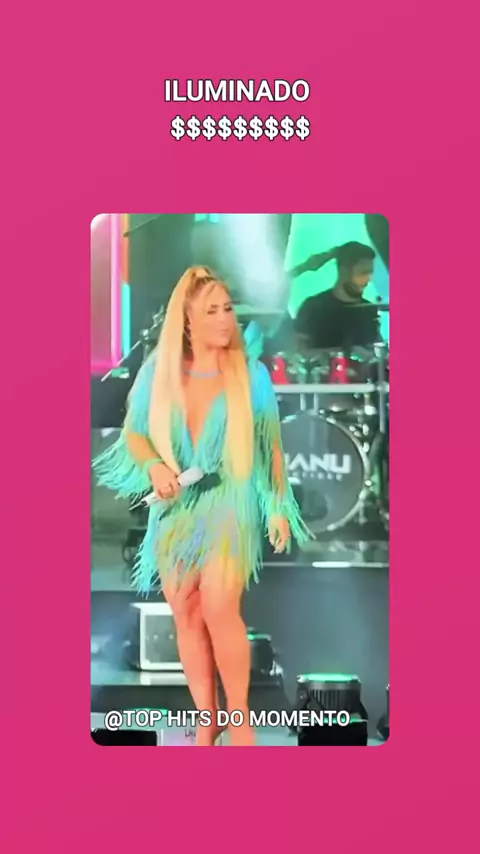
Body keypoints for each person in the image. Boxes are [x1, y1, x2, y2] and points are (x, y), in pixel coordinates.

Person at [93, 266, 311, 746]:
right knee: (187, 612)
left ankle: (240, 719)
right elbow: (135, 434)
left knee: (219, 606)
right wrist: (154, 466)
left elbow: (270, 447)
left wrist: (277, 506)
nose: (224, 318)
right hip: (176, 508)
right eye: (211, 311)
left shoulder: (250, 375)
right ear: (187, 321)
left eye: (227, 308)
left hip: (229, 501)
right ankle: (206, 716)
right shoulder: (158, 372)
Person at [294, 242, 380, 350]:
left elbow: (376, 349)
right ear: (343, 271)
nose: (368, 280)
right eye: (363, 273)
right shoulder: (313, 307)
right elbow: (300, 352)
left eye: (371, 273)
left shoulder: (369, 310)